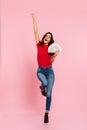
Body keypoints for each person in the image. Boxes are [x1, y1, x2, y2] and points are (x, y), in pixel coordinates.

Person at [31, 13, 60, 123]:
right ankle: (42, 87)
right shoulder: (39, 44)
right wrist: (34, 18)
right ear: (44, 38)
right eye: (46, 36)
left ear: (51, 40)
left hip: (50, 71)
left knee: (49, 93)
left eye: (49, 37)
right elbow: (35, 32)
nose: (47, 37)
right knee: (45, 83)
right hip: (40, 71)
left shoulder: (51, 49)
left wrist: (55, 55)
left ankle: (46, 113)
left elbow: (51, 61)